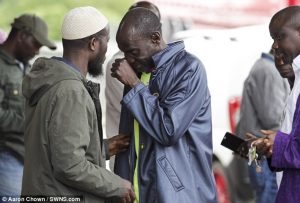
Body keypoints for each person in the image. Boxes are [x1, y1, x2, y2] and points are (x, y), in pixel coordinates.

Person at [21, 6, 135, 203]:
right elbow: (69, 165)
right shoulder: (70, 91)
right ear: (93, 44)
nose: (107, 49)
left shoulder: (53, 81)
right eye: (106, 41)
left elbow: (52, 146)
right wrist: (118, 185)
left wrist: (103, 149)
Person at [111, 8, 217, 203]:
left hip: (178, 196)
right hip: (136, 193)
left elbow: (168, 130)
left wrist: (135, 85)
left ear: (155, 38)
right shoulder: (137, 71)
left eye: (133, 52)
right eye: (125, 53)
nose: (128, 60)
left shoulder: (189, 69)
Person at [0, 13, 56, 196]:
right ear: (22, 35)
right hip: (7, 157)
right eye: (36, 44)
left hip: (26, 158)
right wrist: (31, 122)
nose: (37, 50)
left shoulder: (24, 65)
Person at [105, 1, 161, 170]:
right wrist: (134, 82)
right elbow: (142, 112)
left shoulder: (177, 65)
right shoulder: (121, 64)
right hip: (128, 158)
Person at [252, 6, 300, 203]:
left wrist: (275, 142)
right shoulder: (296, 77)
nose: (275, 46)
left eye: (280, 37)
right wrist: (272, 145)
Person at [235, 51, 290, 203]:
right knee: (268, 196)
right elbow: (273, 118)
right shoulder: (268, 71)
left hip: (261, 153)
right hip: (264, 155)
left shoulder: (265, 68)